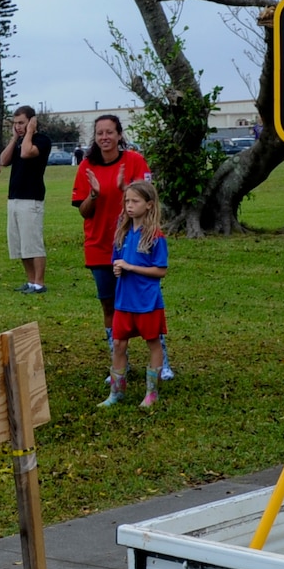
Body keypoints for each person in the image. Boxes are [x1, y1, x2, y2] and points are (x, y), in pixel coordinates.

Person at [74, 115, 154, 376]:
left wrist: (124, 188)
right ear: (95, 137)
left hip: (134, 245)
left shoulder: (134, 161)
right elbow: (84, 212)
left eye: (110, 132)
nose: (104, 137)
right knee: (109, 305)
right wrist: (94, 194)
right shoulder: (86, 166)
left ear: (120, 135)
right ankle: (120, 362)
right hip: (100, 245)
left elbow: (149, 200)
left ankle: (159, 359)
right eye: (100, 133)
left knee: (143, 302)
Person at [101, 179, 169, 408]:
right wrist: (118, 268)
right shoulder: (122, 234)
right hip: (124, 300)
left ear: (149, 204)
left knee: (153, 342)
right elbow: (116, 262)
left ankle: (152, 392)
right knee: (119, 344)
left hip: (147, 302)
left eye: (135, 201)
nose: (129, 206)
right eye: (127, 201)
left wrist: (130, 267)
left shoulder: (156, 237)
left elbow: (161, 270)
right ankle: (116, 392)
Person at [0, 106, 52, 293]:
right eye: (15, 123)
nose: (18, 127)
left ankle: (39, 283)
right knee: (20, 244)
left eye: (21, 122)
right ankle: (30, 281)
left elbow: (26, 153)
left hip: (32, 199)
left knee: (32, 243)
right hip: (14, 198)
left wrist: (29, 132)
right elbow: (3, 161)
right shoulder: (19, 141)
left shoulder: (42, 140)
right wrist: (14, 138)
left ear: (32, 121)